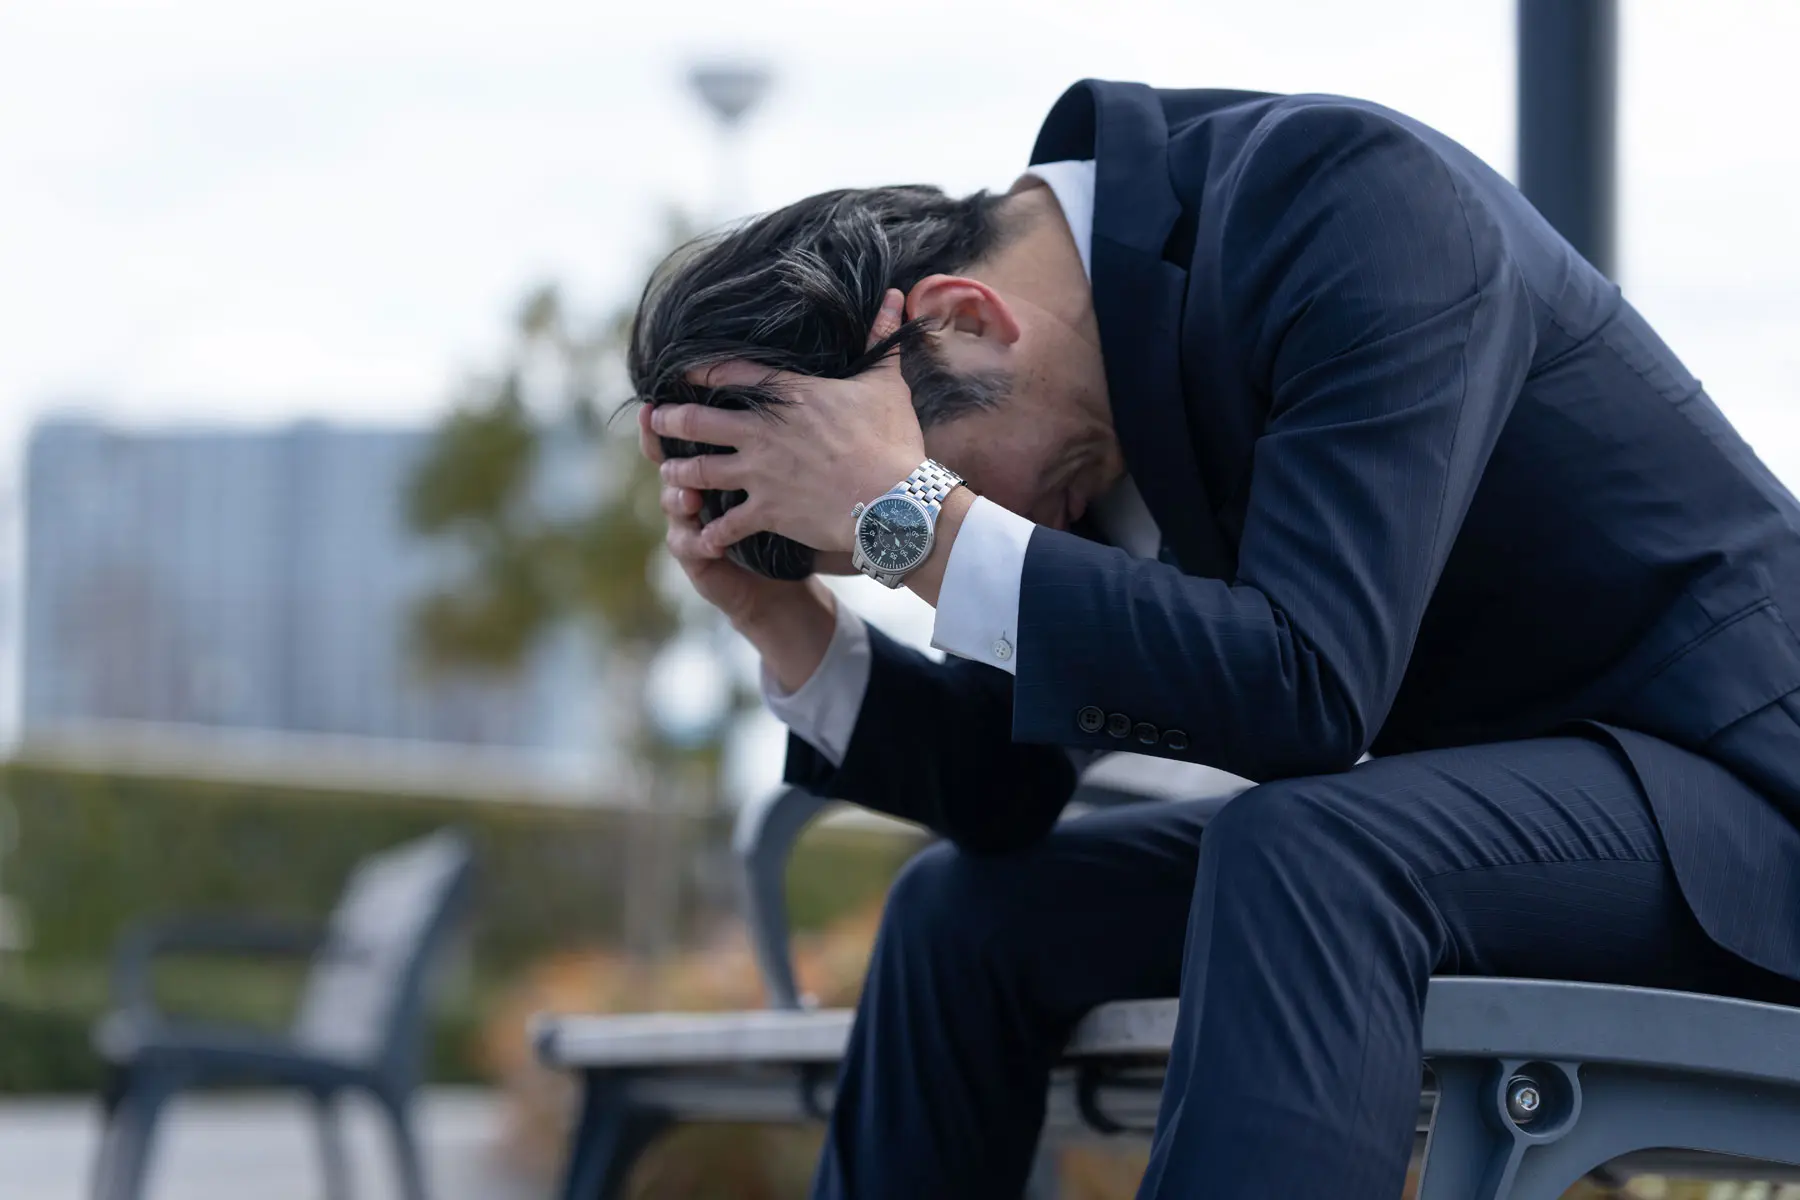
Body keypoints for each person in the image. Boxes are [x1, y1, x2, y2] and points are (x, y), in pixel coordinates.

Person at [630, 80, 1800, 1199]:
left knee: (1309, 852)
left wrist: (914, 522)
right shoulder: (1083, 399)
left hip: (1742, 812)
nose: (931, 554)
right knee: (963, 914)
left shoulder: (1347, 204)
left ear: (961, 319)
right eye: (881, 550)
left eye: (905, 511)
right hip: (1523, 833)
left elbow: (1307, 689)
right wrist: (785, 622)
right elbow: (1006, 784)